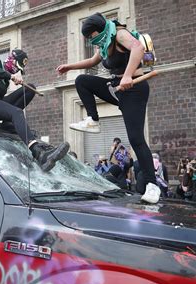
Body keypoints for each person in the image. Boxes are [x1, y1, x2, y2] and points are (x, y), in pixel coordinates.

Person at [56, 13, 160, 204]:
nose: (92, 40)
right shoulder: (104, 43)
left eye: (92, 36)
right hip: (116, 88)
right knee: (82, 81)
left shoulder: (119, 34)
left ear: (100, 29)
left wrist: (128, 75)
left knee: (136, 139)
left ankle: (153, 186)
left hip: (134, 89)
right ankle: (93, 119)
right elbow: (92, 62)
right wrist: (69, 67)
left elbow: (137, 48)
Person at [0, 49, 70, 172]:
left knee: (30, 88)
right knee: (16, 112)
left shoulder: (5, 81)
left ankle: (8, 123)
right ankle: (38, 153)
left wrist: (10, 79)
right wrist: (9, 76)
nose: (16, 71)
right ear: (12, 60)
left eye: (19, 70)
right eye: (17, 67)